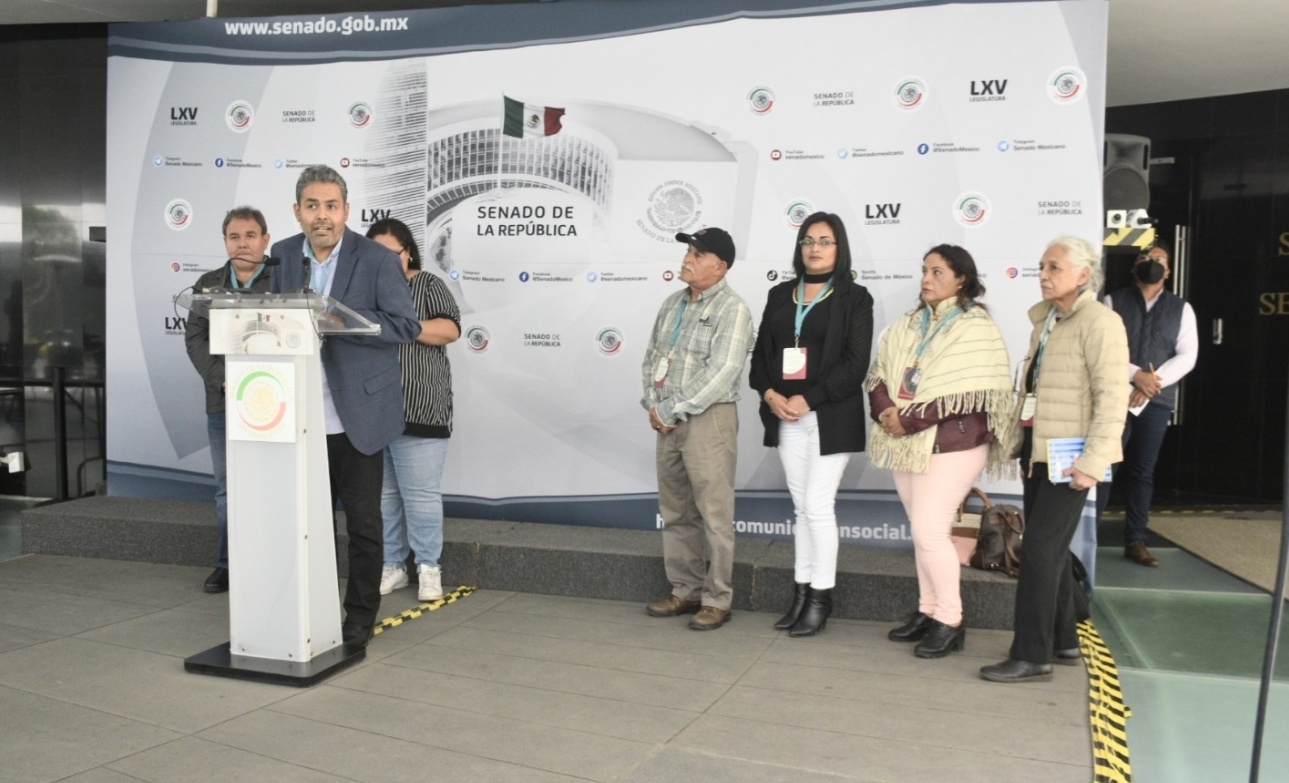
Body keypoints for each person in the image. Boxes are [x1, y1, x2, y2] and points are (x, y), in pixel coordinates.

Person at [269, 165, 422, 649]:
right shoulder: (281, 257)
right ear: (297, 211)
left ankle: (358, 618)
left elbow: (406, 327)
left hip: (355, 418)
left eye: (331, 206)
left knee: (362, 527)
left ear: (346, 211)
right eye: (312, 206)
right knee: (302, 524)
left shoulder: (376, 259)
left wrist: (343, 321)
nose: (322, 216)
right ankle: (300, 608)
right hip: (296, 417)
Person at [981, 236, 1129, 683]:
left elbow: (1112, 398)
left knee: (1041, 550)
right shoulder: (1046, 322)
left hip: (1073, 458)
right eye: (1042, 266)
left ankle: (1031, 653)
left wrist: (1093, 460)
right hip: (1039, 451)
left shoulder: (1101, 323)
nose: (1043, 275)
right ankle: (1064, 638)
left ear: (1084, 274)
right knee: (1053, 548)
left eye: (1054, 267)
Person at [866, 244, 1015, 657]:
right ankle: (928, 609)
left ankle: (950, 620)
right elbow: (878, 374)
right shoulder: (908, 324)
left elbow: (973, 394)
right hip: (906, 443)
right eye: (924, 271)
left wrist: (907, 418)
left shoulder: (975, 326)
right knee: (924, 532)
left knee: (929, 531)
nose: (926, 279)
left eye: (937, 272)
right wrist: (886, 412)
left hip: (954, 444)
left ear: (961, 279)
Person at [748, 212, 873, 637]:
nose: (814, 248)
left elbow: (855, 366)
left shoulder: (855, 298)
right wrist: (771, 395)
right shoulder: (781, 294)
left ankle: (821, 597)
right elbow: (760, 360)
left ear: (840, 250)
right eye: (807, 240)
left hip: (829, 417)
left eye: (825, 241)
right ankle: (800, 592)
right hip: (785, 416)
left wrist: (808, 398)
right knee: (802, 509)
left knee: (818, 507)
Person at [641, 227, 753, 631]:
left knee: (714, 515)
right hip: (667, 421)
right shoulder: (672, 303)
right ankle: (684, 589)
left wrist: (671, 409)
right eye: (688, 250)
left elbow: (723, 372)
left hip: (708, 419)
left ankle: (718, 598)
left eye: (698, 253)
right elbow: (652, 357)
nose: (688, 258)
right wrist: (653, 405)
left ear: (719, 267)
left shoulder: (732, 308)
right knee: (676, 511)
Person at [366, 218, 461, 602]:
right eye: (377, 256)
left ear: (408, 253)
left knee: (420, 496)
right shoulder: (362, 292)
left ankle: (428, 567)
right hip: (373, 410)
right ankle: (393, 565)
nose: (386, 263)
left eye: (393, 255)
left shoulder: (427, 285)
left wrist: (400, 326)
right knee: (385, 496)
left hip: (421, 405)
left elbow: (450, 330)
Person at [183, 206, 273, 593]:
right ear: (225, 242)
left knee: (272, 485)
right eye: (235, 237)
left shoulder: (285, 278)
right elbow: (195, 338)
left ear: (265, 240)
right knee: (227, 488)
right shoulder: (208, 283)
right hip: (224, 403)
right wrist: (224, 381)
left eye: (250, 236)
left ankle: (271, 561)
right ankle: (228, 563)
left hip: (275, 402)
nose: (243, 244)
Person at [1098, 243, 1198, 567]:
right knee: (1104, 465)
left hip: (1155, 401)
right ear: (1133, 267)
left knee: (1143, 470)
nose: (1150, 263)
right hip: (1116, 396)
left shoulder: (1182, 309)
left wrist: (1152, 383)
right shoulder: (1113, 301)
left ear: (1168, 270)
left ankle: (1136, 540)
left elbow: (1187, 355)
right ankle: (1089, 537)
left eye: (1157, 260)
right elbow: (1103, 347)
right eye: (1144, 259)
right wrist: (1135, 375)